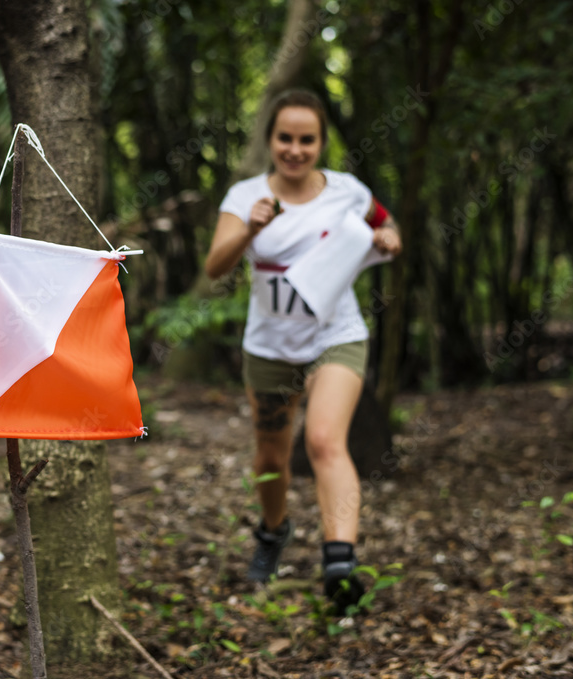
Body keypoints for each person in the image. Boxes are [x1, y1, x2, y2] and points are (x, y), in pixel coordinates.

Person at [204, 89, 402, 613]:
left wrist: (389, 239)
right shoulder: (246, 196)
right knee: (271, 455)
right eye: (285, 138)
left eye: (306, 139)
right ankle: (273, 532)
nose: (295, 149)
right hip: (270, 347)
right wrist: (252, 227)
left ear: (321, 143)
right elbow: (215, 267)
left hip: (335, 336)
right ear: (271, 140)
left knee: (323, 442)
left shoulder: (347, 191)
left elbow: (386, 223)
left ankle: (340, 563)